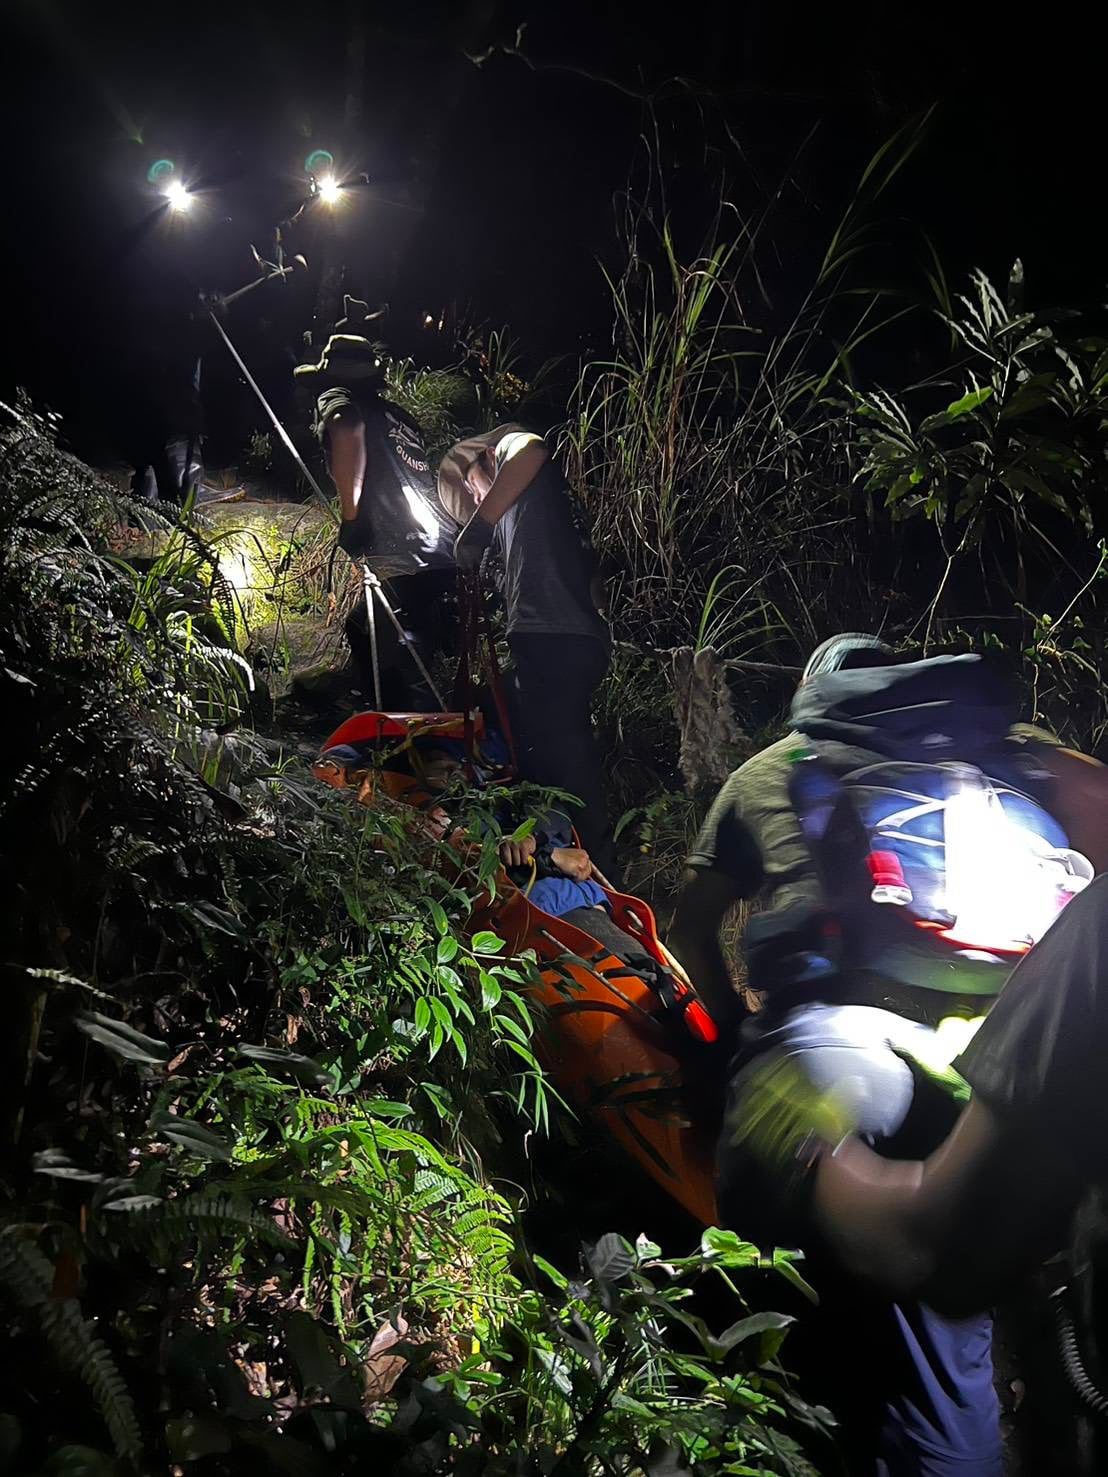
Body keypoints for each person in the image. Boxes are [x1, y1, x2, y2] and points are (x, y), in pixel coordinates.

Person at [672, 636, 1077, 1476]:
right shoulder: (991, 758)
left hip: (841, 1060)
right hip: (1006, 1064)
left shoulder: (772, 765)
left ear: (815, 692)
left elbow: (691, 929)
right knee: (978, 1350)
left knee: (848, 1341)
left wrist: (726, 1034)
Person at [436, 427, 616, 879]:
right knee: (548, 746)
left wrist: (479, 528)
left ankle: (597, 862)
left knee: (564, 755)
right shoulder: (542, 509)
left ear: (483, 463)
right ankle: (568, 851)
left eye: (474, 490)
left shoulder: (513, 450)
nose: (479, 500)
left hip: (552, 635)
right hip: (567, 637)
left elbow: (532, 447)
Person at [295, 300, 458, 710]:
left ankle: (412, 746)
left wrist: (351, 518)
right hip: (439, 547)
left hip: (399, 550)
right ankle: (402, 727)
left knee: (398, 655)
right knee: (371, 631)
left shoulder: (339, 397)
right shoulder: (399, 416)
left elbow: (347, 430)